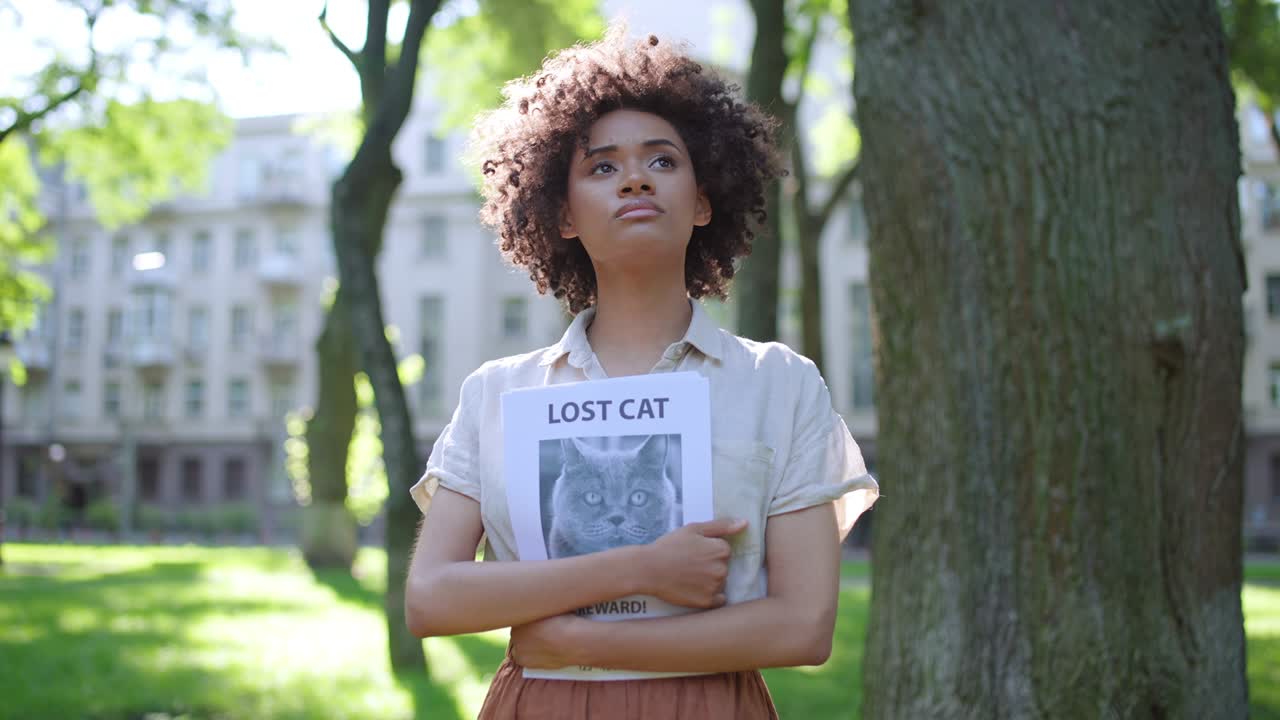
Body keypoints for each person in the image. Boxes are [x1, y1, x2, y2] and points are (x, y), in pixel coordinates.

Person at [405, 25, 879, 719]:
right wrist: (637, 568)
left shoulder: (781, 383)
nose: (633, 177)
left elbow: (803, 628)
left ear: (704, 199)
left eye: (663, 161)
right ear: (561, 214)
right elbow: (431, 598)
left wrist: (578, 639)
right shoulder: (496, 393)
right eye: (601, 167)